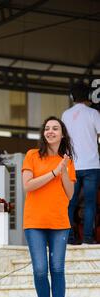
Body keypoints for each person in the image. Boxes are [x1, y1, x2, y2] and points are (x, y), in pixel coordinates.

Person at [22, 116, 76, 297]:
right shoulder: (32, 156)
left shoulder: (68, 161)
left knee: (57, 269)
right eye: (47, 128)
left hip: (59, 222)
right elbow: (28, 186)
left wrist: (62, 170)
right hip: (34, 222)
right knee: (40, 270)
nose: (51, 131)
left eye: (55, 128)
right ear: (43, 133)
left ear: (62, 134)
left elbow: (70, 194)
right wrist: (53, 172)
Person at [62, 82, 100, 244]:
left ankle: (69, 238)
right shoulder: (93, 113)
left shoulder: (65, 115)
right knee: (90, 203)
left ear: (72, 97)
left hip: (72, 165)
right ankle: (87, 238)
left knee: (70, 202)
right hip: (92, 165)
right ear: (89, 96)